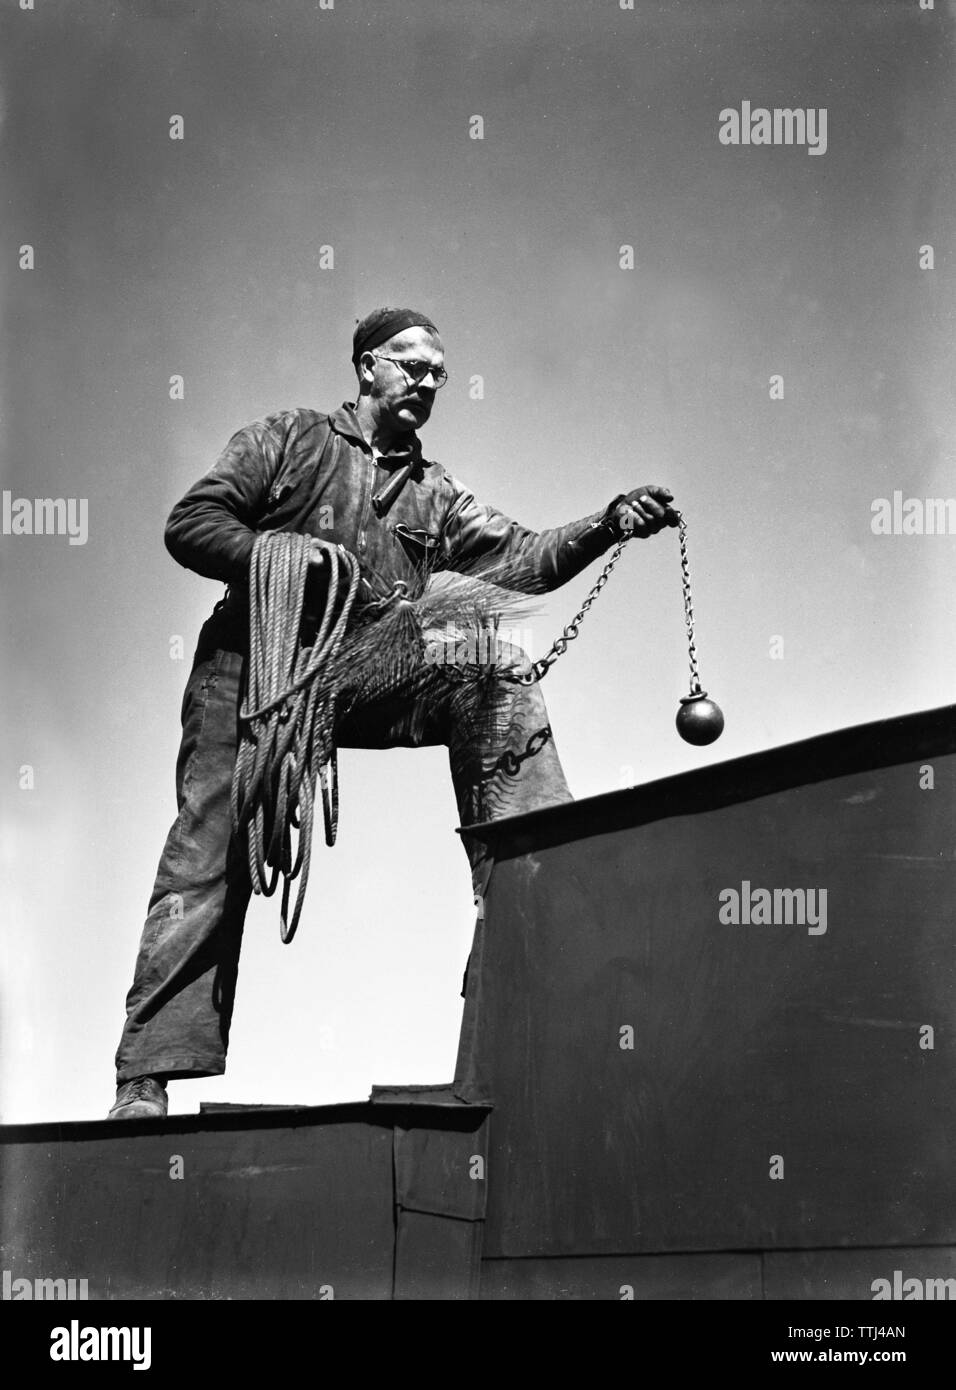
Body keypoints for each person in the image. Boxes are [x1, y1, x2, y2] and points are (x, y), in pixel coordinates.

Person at [109, 306, 678, 1118]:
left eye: (441, 374)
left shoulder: (434, 493)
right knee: (206, 852)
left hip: (365, 668)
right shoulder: (289, 438)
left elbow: (521, 560)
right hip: (253, 665)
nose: (429, 382)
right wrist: (283, 556)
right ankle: (147, 1077)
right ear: (367, 366)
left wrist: (607, 522)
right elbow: (191, 524)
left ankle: (538, 906)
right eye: (413, 365)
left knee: (494, 669)